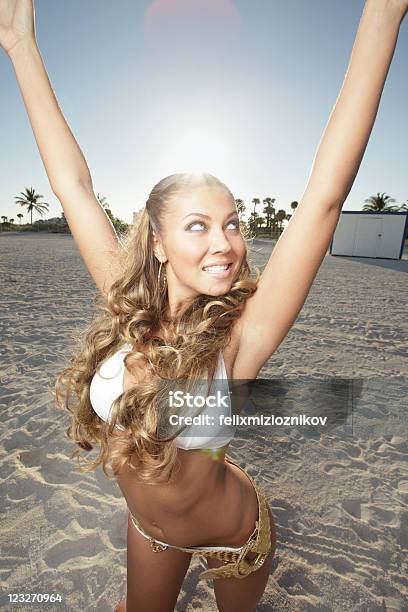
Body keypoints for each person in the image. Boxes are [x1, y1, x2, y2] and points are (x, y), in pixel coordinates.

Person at [1, 0, 406, 610]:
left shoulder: (243, 336)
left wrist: (384, 12)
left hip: (232, 537)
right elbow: (73, 187)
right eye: (198, 225)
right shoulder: (123, 301)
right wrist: (19, 45)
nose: (226, 244)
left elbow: (325, 195)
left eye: (233, 223)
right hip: (149, 531)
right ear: (158, 244)